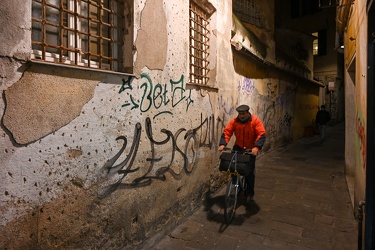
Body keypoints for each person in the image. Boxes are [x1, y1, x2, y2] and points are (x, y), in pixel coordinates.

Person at [218, 104, 266, 205]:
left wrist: (256, 147)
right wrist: (223, 144)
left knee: (249, 172)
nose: (242, 116)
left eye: (243, 114)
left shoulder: (255, 121)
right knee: (234, 168)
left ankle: (249, 193)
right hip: (238, 147)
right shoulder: (235, 121)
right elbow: (227, 132)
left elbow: (261, 134)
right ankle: (236, 186)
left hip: (250, 149)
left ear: (248, 113)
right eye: (240, 114)